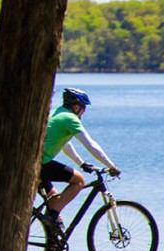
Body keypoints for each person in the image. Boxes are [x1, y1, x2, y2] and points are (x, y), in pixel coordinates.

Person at [39, 88, 124, 240]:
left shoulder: (58, 113)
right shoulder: (70, 119)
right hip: (41, 164)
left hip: (38, 163)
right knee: (79, 181)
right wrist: (112, 166)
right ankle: (51, 216)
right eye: (84, 108)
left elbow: (65, 144)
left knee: (54, 198)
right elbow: (91, 145)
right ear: (77, 106)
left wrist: (82, 163)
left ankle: (51, 245)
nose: (84, 113)